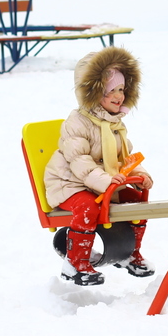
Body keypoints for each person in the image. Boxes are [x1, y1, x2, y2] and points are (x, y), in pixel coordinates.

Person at [44, 46, 154, 286]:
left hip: (100, 183)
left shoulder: (114, 124)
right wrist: (105, 182)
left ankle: (129, 253)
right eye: (111, 90)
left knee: (135, 199)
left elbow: (124, 157)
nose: (119, 96)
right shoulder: (77, 122)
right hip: (69, 183)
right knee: (87, 208)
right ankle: (76, 262)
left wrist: (139, 174)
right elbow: (79, 161)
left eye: (122, 89)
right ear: (93, 93)